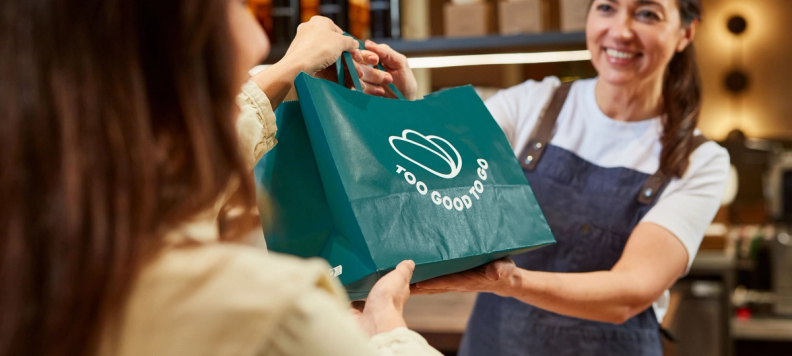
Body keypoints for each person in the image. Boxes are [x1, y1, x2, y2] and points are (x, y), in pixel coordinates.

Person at [0, 0, 436, 355]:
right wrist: (387, 329)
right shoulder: (274, 313)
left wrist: (293, 73)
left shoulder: (36, 269)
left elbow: (173, 181)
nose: (256, 39)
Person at [393, 0, 729, 355]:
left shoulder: (700, 161)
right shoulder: (531, 104)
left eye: (647, 14)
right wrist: (397, 109)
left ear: (685, 33)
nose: (621, 30)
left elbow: (628, 293)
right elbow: (437, 164)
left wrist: (511, 281)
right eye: (606, 8)